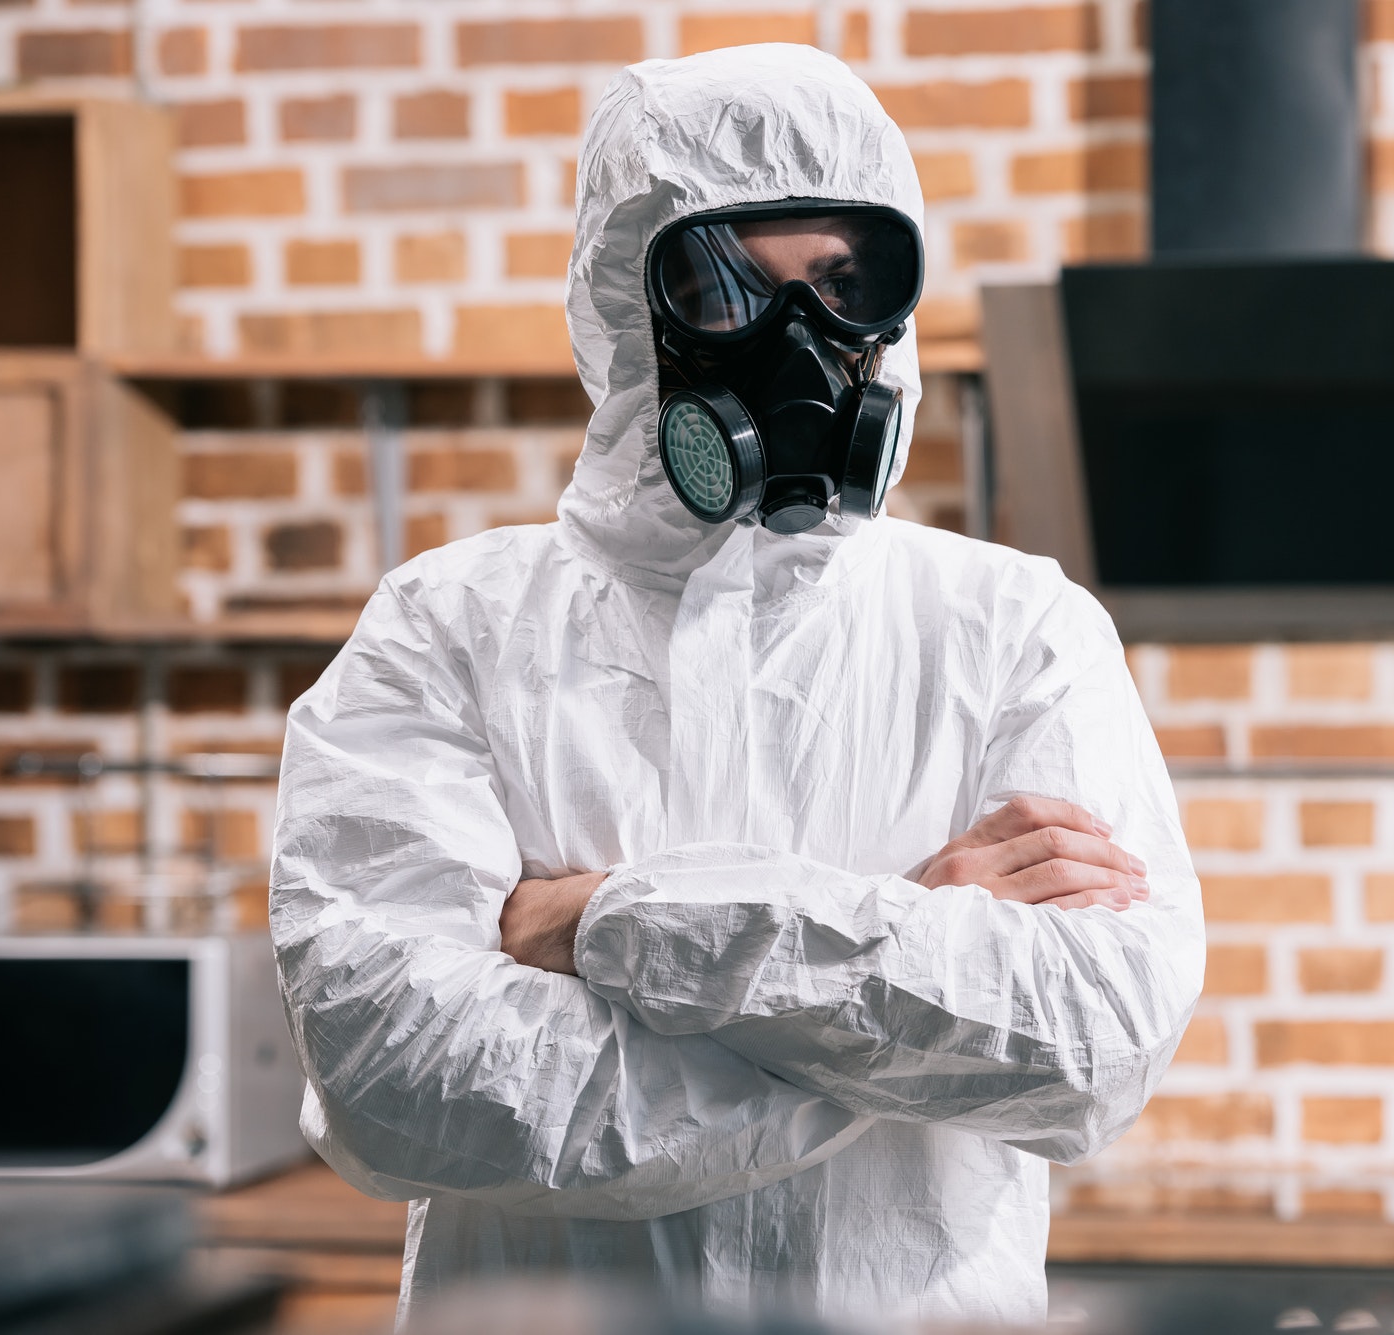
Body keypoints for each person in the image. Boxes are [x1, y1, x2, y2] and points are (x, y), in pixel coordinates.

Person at [269, 44, 1204, 1326]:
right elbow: (398, 1077)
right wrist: (897, 979)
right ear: (623, 307)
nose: (800, 343)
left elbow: (1088, 1047)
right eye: (723, 290)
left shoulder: (1010, 627)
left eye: (838, 283)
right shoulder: (450, 628)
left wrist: (599, 924)